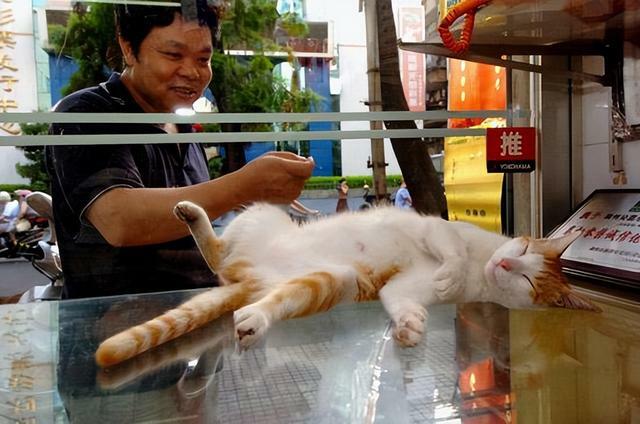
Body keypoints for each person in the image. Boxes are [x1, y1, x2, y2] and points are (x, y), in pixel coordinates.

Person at [45, 2, 314, 299]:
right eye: (173, 55)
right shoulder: (86, 113)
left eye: (203, 59)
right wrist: (242, 186)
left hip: (195, 314)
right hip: (113, 321)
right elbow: (119, 220)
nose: (192, 72)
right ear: (128, 48)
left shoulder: (183, 127)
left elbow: (191, 230)